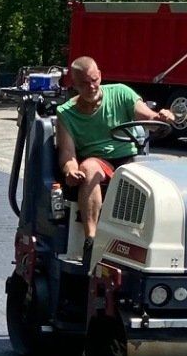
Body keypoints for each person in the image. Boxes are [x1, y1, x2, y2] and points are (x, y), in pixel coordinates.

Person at [54, 56, 173, 257]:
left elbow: (148, 117)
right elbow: (67, 153)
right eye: (84, 84)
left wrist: (162, 117)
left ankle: (156, 244)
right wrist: (71, 171)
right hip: (100, 163)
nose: (91, 87)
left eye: (94, 80)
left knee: (160, 179)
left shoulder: (121, 93)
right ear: (74, 85)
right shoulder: (66, 113)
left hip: (130, 159)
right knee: (89, 168)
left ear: (100, 75)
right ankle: (91, 241)